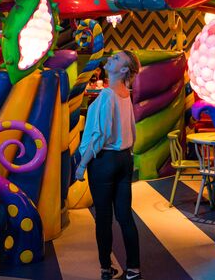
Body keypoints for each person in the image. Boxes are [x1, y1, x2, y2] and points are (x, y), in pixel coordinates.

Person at [75, 51, 142, 280]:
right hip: (125, 159)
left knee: (103, 217)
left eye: (116, 59)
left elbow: (99, 134)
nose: (110, 59)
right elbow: (132, 129)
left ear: (123, 70)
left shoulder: (107, 94)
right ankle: (133, 269)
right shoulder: (125, 94)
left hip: (105, 160)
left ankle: (105, 269)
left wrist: (82, 165)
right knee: (125, 216)